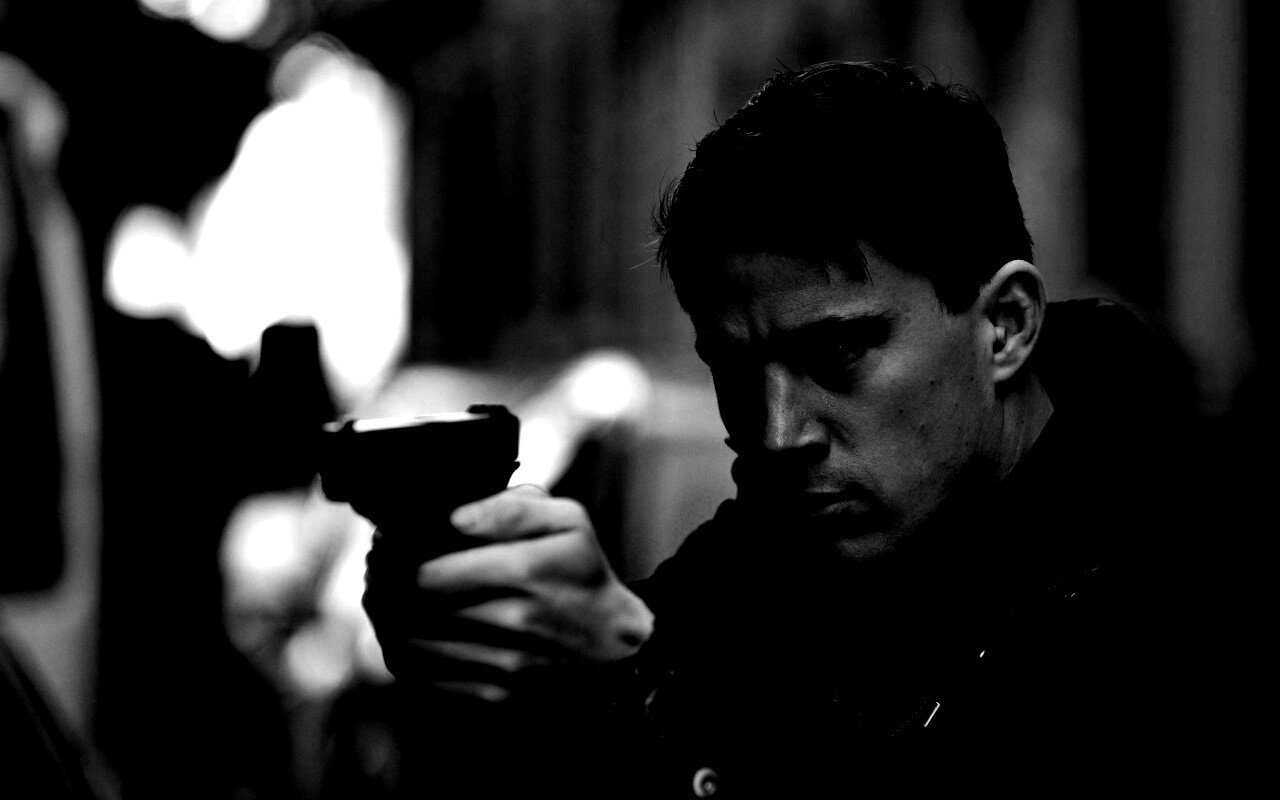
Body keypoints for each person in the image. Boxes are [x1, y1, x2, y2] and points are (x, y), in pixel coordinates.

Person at [359, 61, 1215, 796]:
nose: (775, 434)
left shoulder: (1190, 582)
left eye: (837, 354)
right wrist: (503, 659)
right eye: (733, 369)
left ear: (1006, 325)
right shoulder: (770, 547)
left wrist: (635, 675)